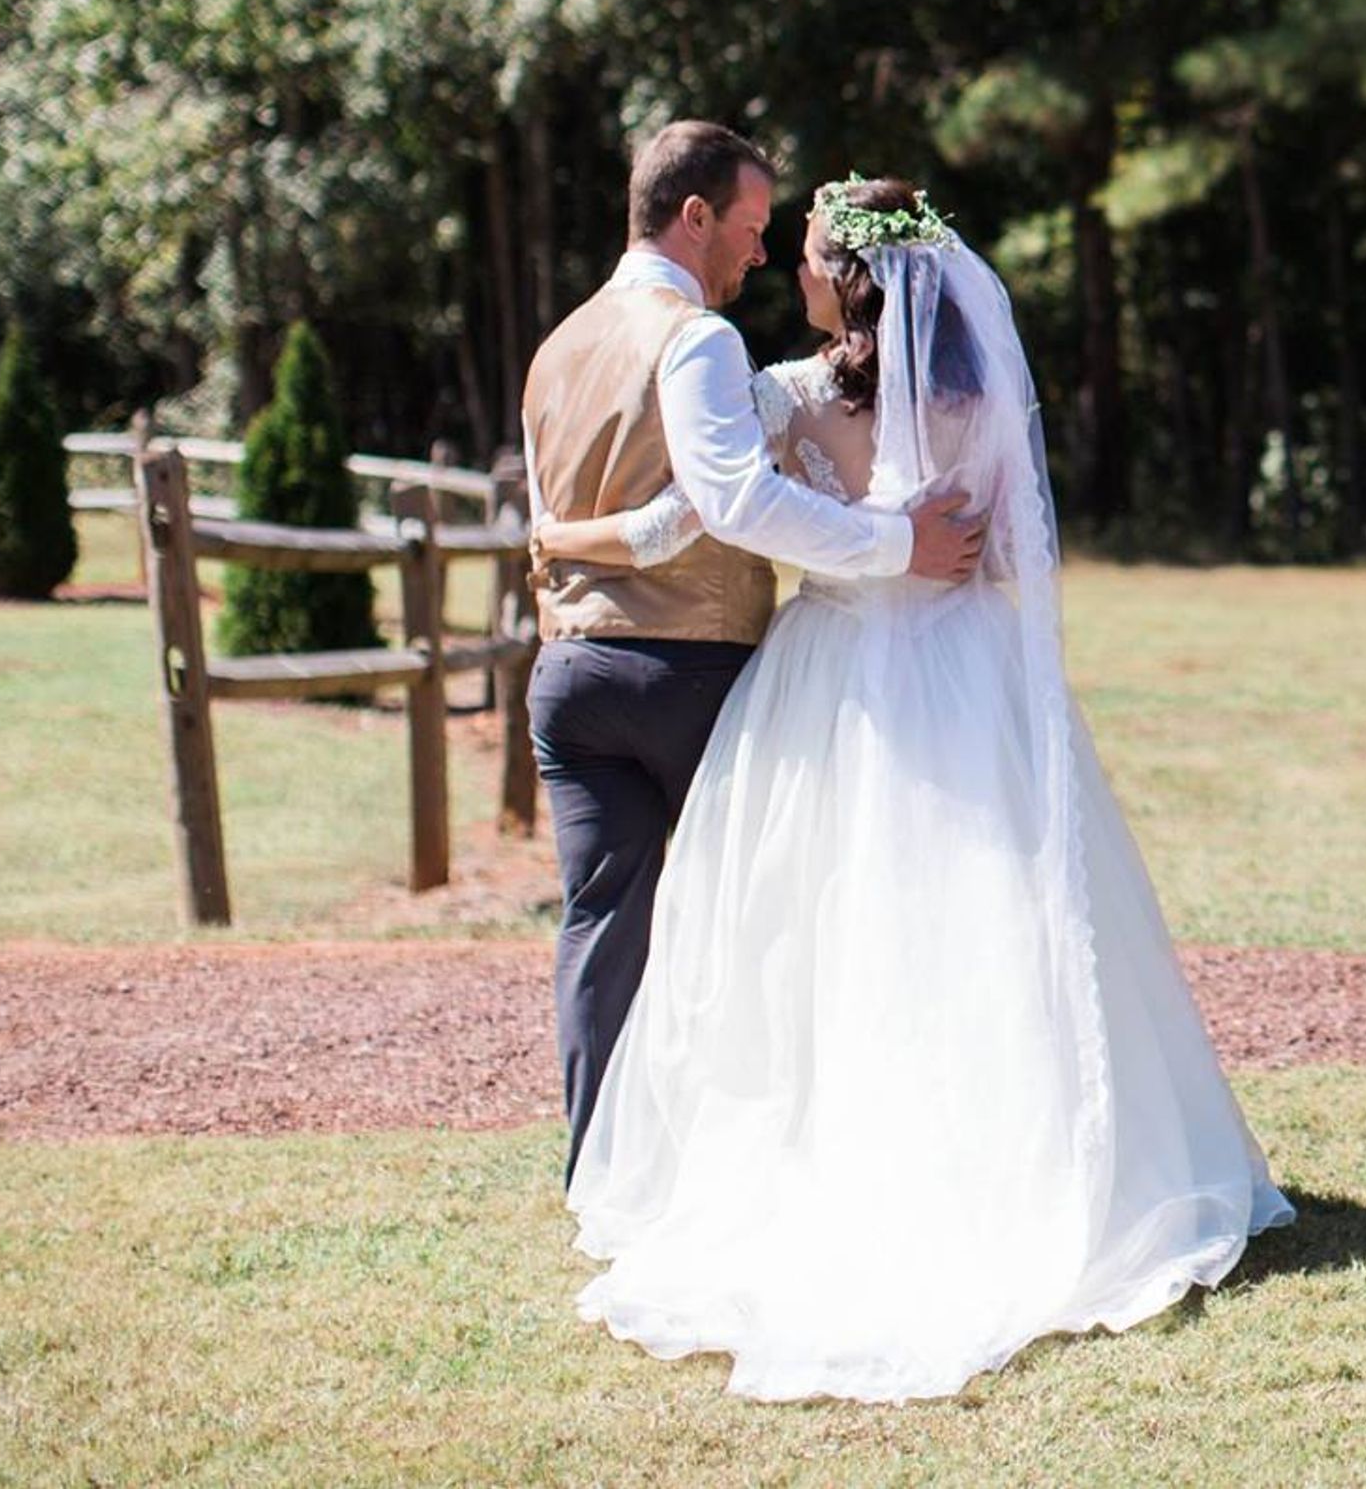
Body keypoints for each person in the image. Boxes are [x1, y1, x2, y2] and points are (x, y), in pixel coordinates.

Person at [531, 174, 1291, 1402]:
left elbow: (690, 520)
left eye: (817, 255)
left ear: (857, 280)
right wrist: (938, 565)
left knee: (829, 933)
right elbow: (1007, 551)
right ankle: (1024, 1164)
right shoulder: (986, 400)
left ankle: (859, 1168)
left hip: (834, 683)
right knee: (982, 921)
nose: (797, 269)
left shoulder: (786, 396)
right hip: (963, 676)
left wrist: (569, 540)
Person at [520, 122, 987, 1177]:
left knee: (601, 923)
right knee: (768, 918)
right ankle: (783, 1156)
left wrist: (560, 542)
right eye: (748, 226)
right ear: (695, 217)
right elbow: (728, 503)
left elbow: (598, 510)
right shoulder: (699, 340)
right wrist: (896, 545)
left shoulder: (556, 346)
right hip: (688, 667)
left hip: (569, 674)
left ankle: (601, 1171)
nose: (762, 254)